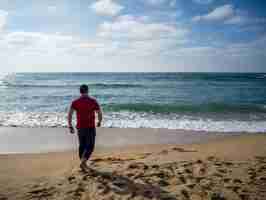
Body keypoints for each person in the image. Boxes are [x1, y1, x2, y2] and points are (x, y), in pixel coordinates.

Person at [68, 84, 102, 172]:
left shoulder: (75, 102)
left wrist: (70, 125)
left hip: (80, 128)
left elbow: (70, 114)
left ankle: (83, 162)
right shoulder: (93, 101)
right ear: (87, 91)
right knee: (90, 145)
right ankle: (83, 162)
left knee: (82, 145)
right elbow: (99, 113)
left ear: (80, 91)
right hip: (90, 127)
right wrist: (99, 121)